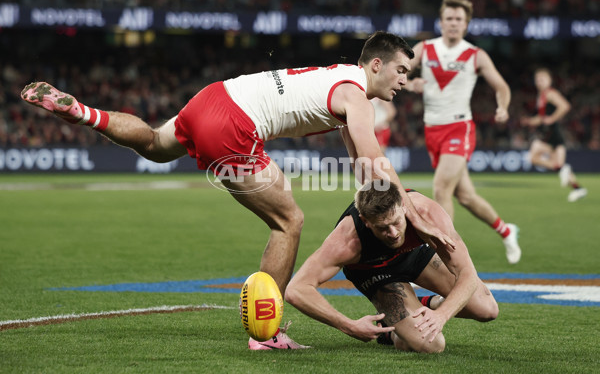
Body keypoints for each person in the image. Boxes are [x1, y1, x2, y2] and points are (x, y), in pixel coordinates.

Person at [20, 31, 455, 349]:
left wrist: (377, 200)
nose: (404, 81)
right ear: (375, 64)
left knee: (154, 145)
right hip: (236, 125)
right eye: (401, 70)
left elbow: (362, 163)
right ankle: (266, 335)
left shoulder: (340, 78)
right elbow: (373, 155)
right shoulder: (358, 98)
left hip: (214, 97)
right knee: (289, 221)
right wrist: (410, 209)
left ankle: (83, 112)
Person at [285, 180, 498, 353]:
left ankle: (425, 303)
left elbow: (467, 273)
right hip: (375, 272)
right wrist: (348, 325)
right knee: (432, 345)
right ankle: (394, 331)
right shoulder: (347, 242)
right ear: (365, 221)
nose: (394, 233)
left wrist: (441, 314)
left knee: (486, 309)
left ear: (403, 207)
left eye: (396, 222)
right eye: (382, 228)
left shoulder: (427, 213)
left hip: (413, 254)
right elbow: (296, 290)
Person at [403, 0, 521, 264]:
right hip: (432, 130)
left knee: (441, 189)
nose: (453, 23)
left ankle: (446, 257)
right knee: (466, 196)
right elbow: (400, 72)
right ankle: (506, 230)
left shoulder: (475, 55)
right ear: (441, 22)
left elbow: (502, 87)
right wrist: (410, 84)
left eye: (458, 19)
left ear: (466, 24)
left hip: (459, 127)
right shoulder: (424, 48)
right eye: (449, 19)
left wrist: (502, 106)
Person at [522, 68, 587, 202]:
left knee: (536, 156)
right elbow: (541, 118)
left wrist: (552, 118)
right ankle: (577, 188)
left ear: (549, 81)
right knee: (546, 161)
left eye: (542, 79)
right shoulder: (541, 96)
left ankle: (565, 172)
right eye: (537, 80)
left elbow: (565, 106)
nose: (539, 82)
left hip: (553, 134)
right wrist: (530, 121)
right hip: (548, 134)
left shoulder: (550, 93)